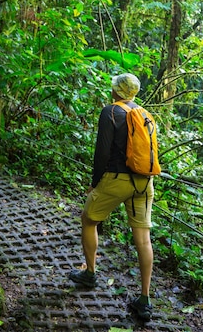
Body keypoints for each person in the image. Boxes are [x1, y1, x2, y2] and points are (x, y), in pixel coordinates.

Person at [69, 73, 155, 321]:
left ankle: (90, 274)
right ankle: (145, 300)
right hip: (144, 182)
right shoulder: (145, 114)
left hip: (116, 180)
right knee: (143, 238)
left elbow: (102, 152)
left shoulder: (110, 112)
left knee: (88, 219)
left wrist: (94, 183)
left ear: (116, 91)